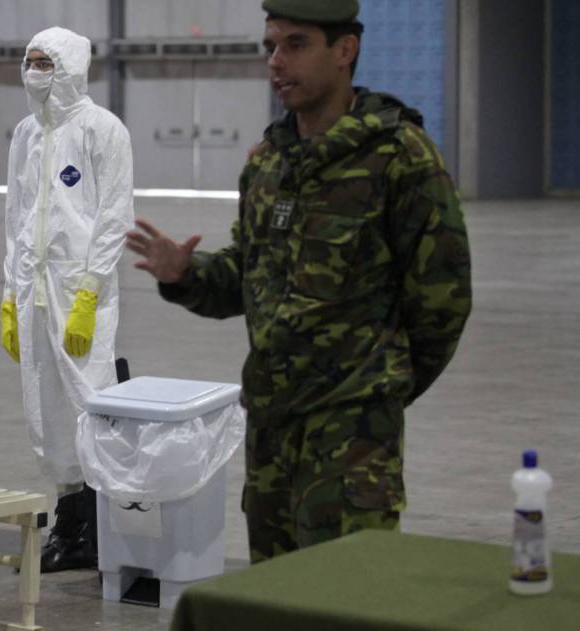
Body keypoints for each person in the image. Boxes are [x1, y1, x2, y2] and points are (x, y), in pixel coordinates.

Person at [126, 0, 471, 564]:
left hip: (353, 437)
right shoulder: (268, 164)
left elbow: (443, 302)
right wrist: (188, 274)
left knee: (349, 595)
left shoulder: (400, 158)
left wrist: (378, 389)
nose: (277, 62)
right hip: (271, 429)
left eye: (296, 44)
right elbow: (248, 277)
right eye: (271, 47)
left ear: (345, 50)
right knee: (275, 596)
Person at [0, 26, 134, 573]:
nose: (33, 71)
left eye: (44, 62)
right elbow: (14, 215)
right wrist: (10, 293)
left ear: (71, 68)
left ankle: (106, 530)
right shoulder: (26, 135)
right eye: (28, 61)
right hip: (33, 292)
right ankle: (71, 525)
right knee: (46, 411)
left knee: (88, 403)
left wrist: (89, 291)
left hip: (81, 294)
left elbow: (113, 216)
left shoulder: (104, 130)